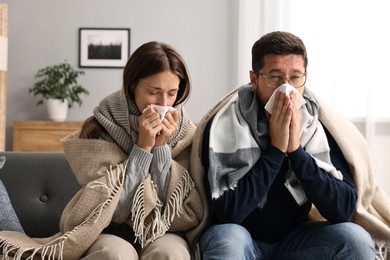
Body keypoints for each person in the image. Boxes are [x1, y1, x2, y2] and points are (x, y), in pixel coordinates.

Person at [191, 31, 390, 259]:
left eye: (295, 78)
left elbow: (343, 208)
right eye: (275, 77)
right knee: (228, 239)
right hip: (240, 235)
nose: (286, 89)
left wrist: (296, 151)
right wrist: (275, 151)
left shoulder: (316, 126)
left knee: (354, 238)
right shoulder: (224, 126)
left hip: (295, 240)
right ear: (254, 80)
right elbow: (229, 212)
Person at [0, 41, 205, 260]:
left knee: (170, 253)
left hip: (164, 230)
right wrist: (143, 148)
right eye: (154, 92)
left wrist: (161, 147)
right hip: (109, 230)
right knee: (113, 254)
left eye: (172, 94)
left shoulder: (186, 134)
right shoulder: (100, 127)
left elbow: (177, 209)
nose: (164, 103)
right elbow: (114, 210)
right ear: (133, 85)